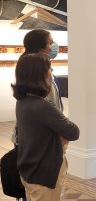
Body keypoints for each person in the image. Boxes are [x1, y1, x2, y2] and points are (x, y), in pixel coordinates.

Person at [13, 53, 80, 200]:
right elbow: (73, 132)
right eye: (49, 70)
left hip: (29, 170)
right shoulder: (42, 106)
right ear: (39, 75)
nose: (51, 74)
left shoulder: (22, 101)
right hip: (44, 173)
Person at [11, 29, 63, 146]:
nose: (53, 47)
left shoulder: (40, 67)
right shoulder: (34, 70)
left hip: (39, 133)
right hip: (36, 138)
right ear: (40, 47)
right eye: (50, 43)